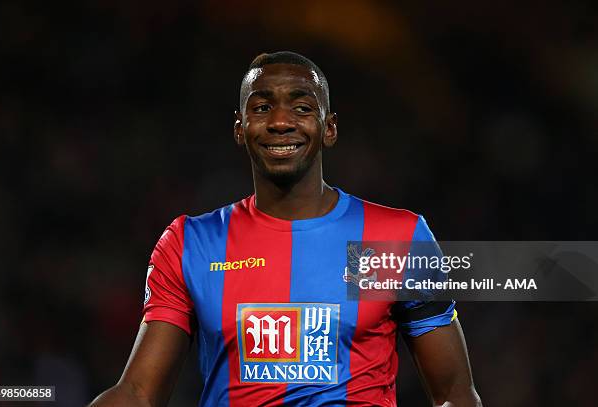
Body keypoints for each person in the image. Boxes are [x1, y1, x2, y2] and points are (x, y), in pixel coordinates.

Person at [90, 51, 482, 407]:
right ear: (240, 130)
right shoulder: (193, 243)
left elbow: (455, 394)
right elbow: (138, 393)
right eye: (262, 107)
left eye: (301, 107)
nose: (280, 122)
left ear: (329, 129)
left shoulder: (391, 238)